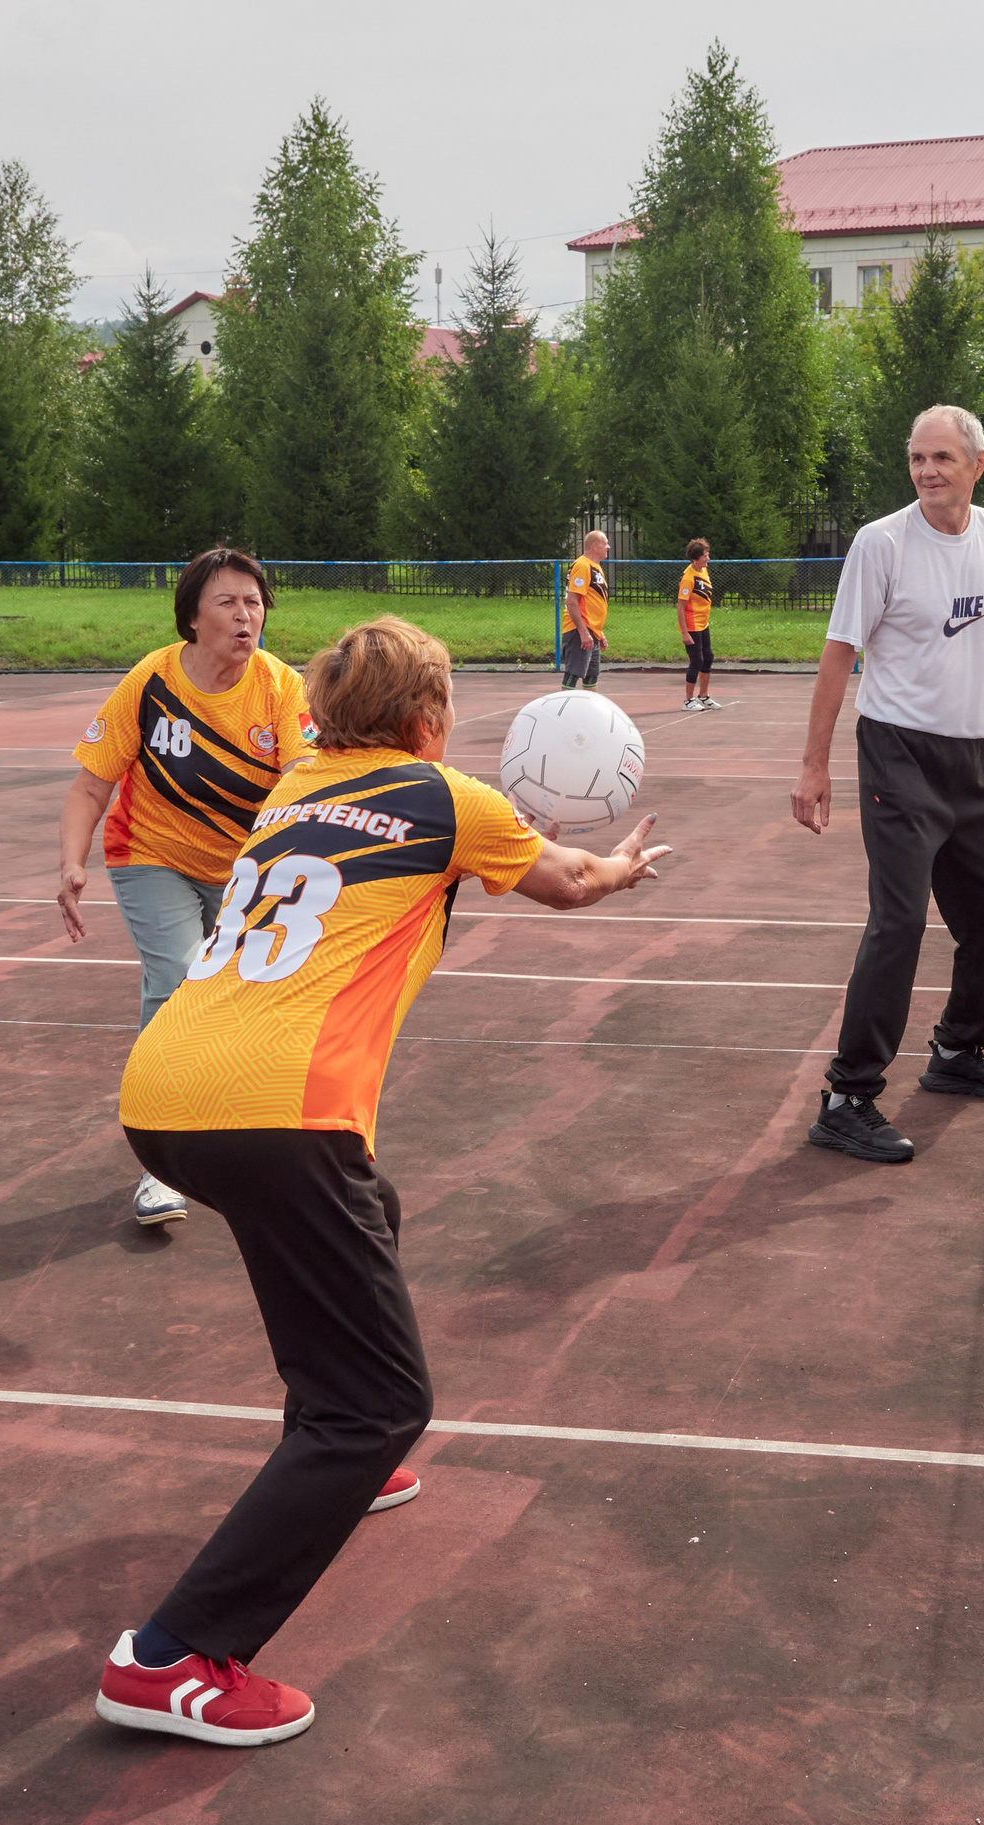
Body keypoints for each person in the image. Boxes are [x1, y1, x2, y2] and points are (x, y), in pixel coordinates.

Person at [97, 617, 670, 1747]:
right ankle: (173, 1658)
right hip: (276, 1110)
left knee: (370, 1217)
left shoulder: (295, 784)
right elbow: (563, 884)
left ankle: (328, 1450)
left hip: (164, 1091)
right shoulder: (445, 795)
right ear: (427, 721)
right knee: (385, 1406)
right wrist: (619, 862)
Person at [790, 403, 984, 1164]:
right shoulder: (881, 545)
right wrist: (814, 766)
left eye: (942, 458)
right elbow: (838, 657)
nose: (927, 472)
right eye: (917, 458)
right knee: (901, 921)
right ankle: (847, 1096)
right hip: (897, 756)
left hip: (972, 759)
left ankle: (957, 1051)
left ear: (978, 463)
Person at [57, 548, 315, 1231]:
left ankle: (240, 1134)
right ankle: (161, 1163)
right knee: (175, 981)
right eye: (229, 602)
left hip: (243, 872)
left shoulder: (282, 689)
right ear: (192, 617)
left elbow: (304, 779)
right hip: (150, 856)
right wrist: (71, 862)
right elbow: (91, 783)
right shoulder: (153, 681)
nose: (246, 614)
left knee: (247, 1000)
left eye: (255, 602)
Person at [563, 531, 609, 688]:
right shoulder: (582, 566)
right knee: (573, 675)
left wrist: (599, 632)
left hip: (592, 631)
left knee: (591, 678)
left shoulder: (596, 567)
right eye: (605, 543)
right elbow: (572, 601)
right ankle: (565, 711)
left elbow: (593, 601)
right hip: (579, 630)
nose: (608, 547)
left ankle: (588, 712)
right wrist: (583, 632)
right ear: (595, 546)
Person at [677, 537, 719, 711]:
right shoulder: (689, 578)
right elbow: (680, 607)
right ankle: (688, 700)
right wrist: (684, 632)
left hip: (703, 624)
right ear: (695, 558)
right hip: (691, 625)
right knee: (697, 660)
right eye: (704, 555)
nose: (707, 558)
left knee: (708, 658)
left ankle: (704, 696)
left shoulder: (703, 571)